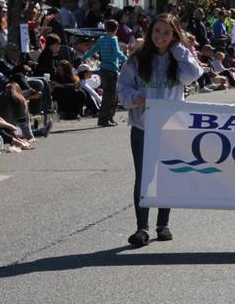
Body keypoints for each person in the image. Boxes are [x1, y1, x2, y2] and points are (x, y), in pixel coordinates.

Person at [117, 13, 204, 247]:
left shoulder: (179, 60)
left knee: (168, 174)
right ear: (150, 32)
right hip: (142, 126)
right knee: (144, 177)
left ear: (174, 36)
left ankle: (162, 224)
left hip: (171, 127)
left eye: (167, 33)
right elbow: (123, 88)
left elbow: (194, 75)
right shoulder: (137, 59)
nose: (161, 37)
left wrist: (179, 50)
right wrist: (134, 97)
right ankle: (141, 228)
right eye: (157, 31)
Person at [81, 19, 128, 127]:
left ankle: (108, 118)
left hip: (103, 69)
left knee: (108, 94)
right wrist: (126, 59)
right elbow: (116, 53)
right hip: (112, 69)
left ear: (106, 29)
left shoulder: (101, 39)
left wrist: (84, 57)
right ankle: (105, 119)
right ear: (116, 29)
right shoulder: (113, 39)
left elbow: (93, 50)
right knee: (112, 96)